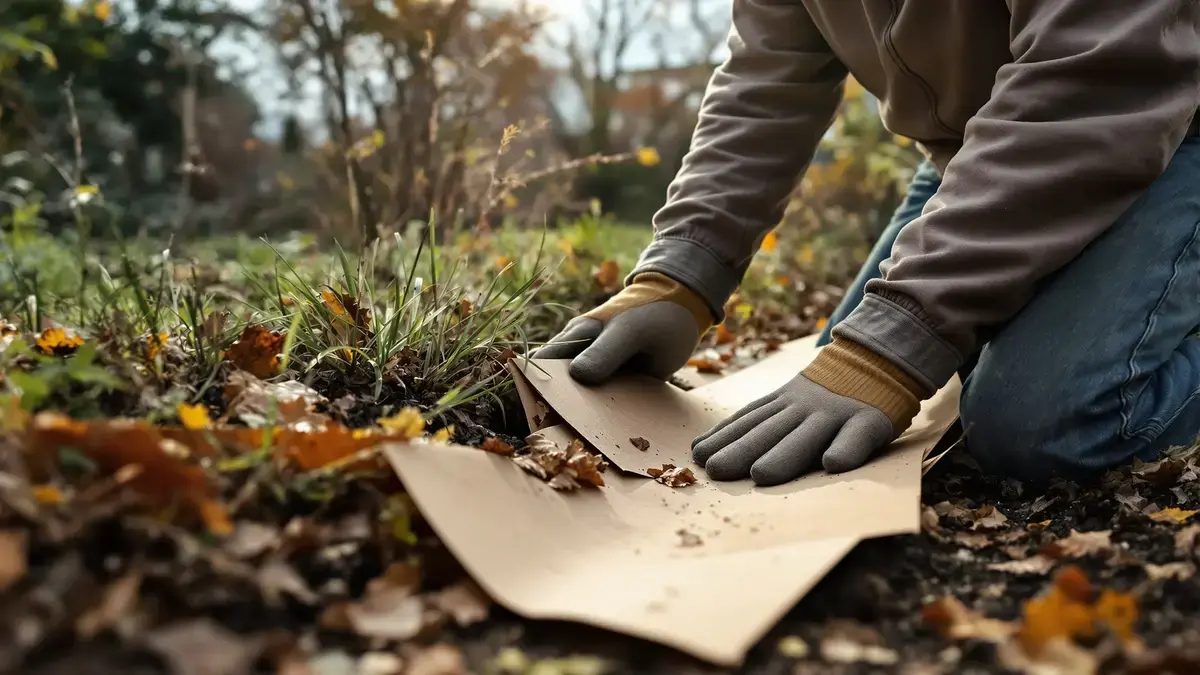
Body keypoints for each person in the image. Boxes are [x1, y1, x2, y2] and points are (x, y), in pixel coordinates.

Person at [534, 0, 1200, 486]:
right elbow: (766, 81)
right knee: (841, 384)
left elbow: (1100, 80)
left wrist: (899, 340)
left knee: (1037, 425)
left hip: (1164, 117)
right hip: (986, 145)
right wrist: (682, 271)